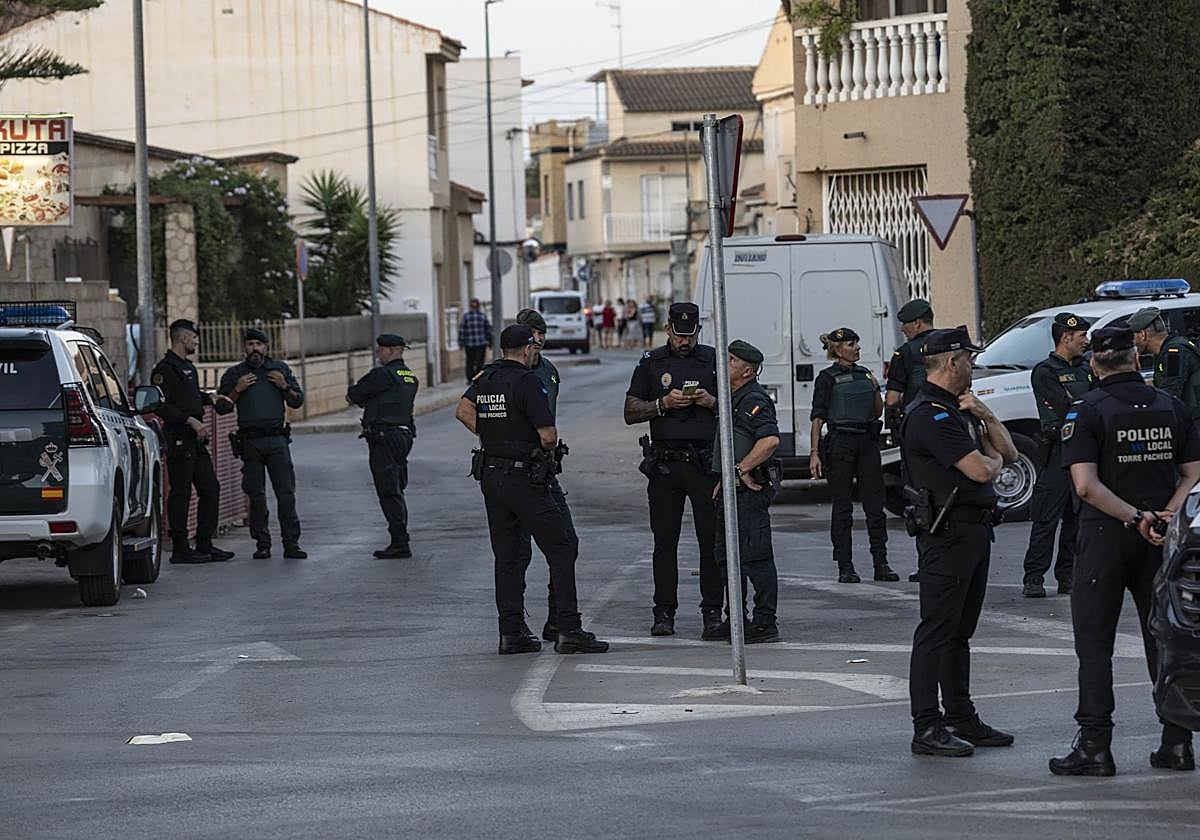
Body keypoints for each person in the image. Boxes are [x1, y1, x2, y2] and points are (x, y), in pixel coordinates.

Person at [1050, 326, 1200, 777]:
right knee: (1165, 638)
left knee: (1095, 643)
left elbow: (1085, 485)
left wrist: (1134, 517)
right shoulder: (1172, 407)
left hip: (1106, 536)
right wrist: (1163, 516)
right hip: (1162, 537)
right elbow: (1192, 473)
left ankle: (1095, 745)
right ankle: (1176, 742)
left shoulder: (1087, 410)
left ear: (1094, 365)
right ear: (1137, 359)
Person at [901, 325, 1018, 758]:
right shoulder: (931, 414)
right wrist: (990, 457)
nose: (972, 363)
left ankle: (961, 715)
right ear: (952, 362)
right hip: (948, 534)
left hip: (974, 530)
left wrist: (987, 415)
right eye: (968, 357)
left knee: (959, 632)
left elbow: (1011, 455)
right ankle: (926, 725)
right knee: (936, 631)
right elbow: (984, 470)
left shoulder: (961, 408)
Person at [457, 323, 608, 655]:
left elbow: (462, 410)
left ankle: (511, 633)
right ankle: (568, 628)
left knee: (508, 556)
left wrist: (495, 435)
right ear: (527, 350)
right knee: (562, 546)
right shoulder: (527, 381)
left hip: (492, 474)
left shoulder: (486, 380)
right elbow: (548, 435)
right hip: (524, 476)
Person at [457, 308, 568, 642]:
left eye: (542, 336)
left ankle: (546, 622)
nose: (539, 343)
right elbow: (464, 411)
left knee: (555, 546)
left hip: (529, 470)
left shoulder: (548, 372)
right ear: (526, 345)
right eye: (534, 338)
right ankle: (552, 626)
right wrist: (503, 438)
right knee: (534, 550)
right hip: (520, 470)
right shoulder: (494, 375)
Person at [623, 302, 723, 639]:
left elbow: (737, 404)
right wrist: (662, 404)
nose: (685, 341)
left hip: (703, 463)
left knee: (710, 541)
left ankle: (712, 611)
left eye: (690, 334)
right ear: (668, 330)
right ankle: (664, 611)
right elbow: (630, 410)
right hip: (665, 464)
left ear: (698, 331)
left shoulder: (712, 359)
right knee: (665, 542)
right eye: (679, 335)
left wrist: (712, 402)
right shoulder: (652, 363)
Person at [809, 327, 897, 584]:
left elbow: (878, 409)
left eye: (856, 343)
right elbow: (817, 418)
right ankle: (845, 566)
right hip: (840, 443)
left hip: (867, 442)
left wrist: (874, 390)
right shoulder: (827, 378)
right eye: (850, 344)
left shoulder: (865, 374)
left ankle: (881, 563)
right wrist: (814, 453)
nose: (857, 348)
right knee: (843, 508)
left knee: (874, 506)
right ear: (836, 349)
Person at [710, 340, 782, 643]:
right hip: (731, 488)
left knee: (756, 557)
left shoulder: (754, 398)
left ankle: (765, 622)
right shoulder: (734, 397)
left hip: (747, 491)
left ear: (747, 370)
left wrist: (740, 470)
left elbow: (770, 441)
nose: (725, 364)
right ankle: (736, 619)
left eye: (731, 360)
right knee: (728, 557)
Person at [214, 328, 306, 559]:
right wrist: (238, 390)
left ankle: (291, 543)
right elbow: (221, 407)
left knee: (285, 493)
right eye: (250, 344)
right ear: (244, 347)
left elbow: (297, 401)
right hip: (251, 442)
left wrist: (284, 386)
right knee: (256, 495)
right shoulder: (236, 374)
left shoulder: (279, 370)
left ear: (266, 347)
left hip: (276, 439)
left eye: (259, 344)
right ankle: (262, 543)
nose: (254, 348)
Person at [1020, 312, 1094, 597]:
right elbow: (1061, 412)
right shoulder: (1045, 371)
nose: (1085, 341)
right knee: (1045, 519)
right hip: (1058, 453)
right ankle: (1034, 576)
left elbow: (1093, 401)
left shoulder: (1086, 369)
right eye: (1081, 337)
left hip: (1083, 454)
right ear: (1066, 337)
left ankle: (1067, 576)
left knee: (1075, 521)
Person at [152, 319, 234, 564]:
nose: (197, 341)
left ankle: (204, 544)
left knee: (210, 489)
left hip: (196, 440)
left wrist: (210, 399)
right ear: (182, 337)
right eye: (194, 337)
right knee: (181, 493)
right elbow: (161, 405)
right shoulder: (164, 370)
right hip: (179, 438)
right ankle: (180, 548)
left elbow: (189, 396)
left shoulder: (187, 367)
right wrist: (189, 420)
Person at [346, 334, 419, 559]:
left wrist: (363, 398)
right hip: (404, 436)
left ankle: (400, 542)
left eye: (380, 350)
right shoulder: (409, 376)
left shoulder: (382, 374)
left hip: (384, 437)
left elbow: (354, 395)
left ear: (389, 350)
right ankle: (400, 538)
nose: (379, 354)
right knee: (396, 488)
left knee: (389, 491)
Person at [886, 298, 936, 582]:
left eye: (905, 324)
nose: (903, 329)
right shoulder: (949, 344)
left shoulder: (905, 354)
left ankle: (926, 561)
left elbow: (892, 398)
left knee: (920, 497)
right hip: (952, 428)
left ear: (916, 323)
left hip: (917, 432)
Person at [1128, 306, 1200, 419]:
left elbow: (1170, 393)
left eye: (1133, 336)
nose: (1132, 342)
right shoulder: (1165, 350)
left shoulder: (1174, 353)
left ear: (1142, 335)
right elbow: (1160, 382)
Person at [459, 298, 493, 383]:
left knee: (470, 362)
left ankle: (470, 378)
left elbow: (462, 330)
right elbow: (488, 329)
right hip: (481, 343)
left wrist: (461, 342)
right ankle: (477, 377)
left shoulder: (466, 317)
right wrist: (490, 341)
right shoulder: (482, 316)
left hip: (469, 343)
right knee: (480, 362)